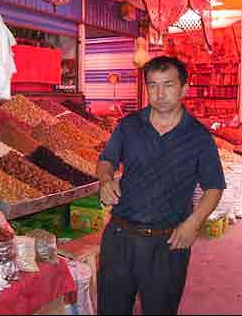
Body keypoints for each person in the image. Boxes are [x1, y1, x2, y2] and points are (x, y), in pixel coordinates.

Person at [97, 56, 226, 315]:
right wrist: (106, 179)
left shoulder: (198, 137)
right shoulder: (129, 126)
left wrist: (194, 223)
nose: (160, 94)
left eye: (168, 85)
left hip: (168, 243)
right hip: (120, 238)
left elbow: (214, 186)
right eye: (153, 85)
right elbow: (106, 159)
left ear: (184, 89)